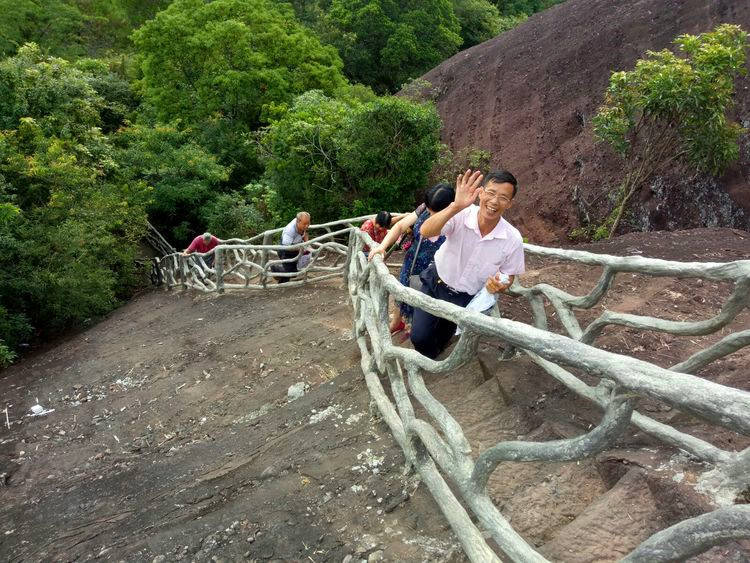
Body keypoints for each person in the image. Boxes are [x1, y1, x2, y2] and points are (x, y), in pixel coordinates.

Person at [410, 169, 525, 359]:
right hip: (435, 284)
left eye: (503, 197)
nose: (495, 201)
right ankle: (430, 358)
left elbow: (509, 274)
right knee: (420, 337)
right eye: (491, 193)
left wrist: (501, 284)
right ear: (481, 192)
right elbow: (426, 231)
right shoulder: (461, 214)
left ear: (510, 203)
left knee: (445, 335)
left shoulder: (512, 239)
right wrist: (455, 206)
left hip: (465, 299)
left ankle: (438, 356)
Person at [368, 183, 456, 335]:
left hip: (436, 269)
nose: (430, 214)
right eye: (429, 209)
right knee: (402, 290)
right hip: (413, 260)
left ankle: (415, 329)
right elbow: (400, 226)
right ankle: (397, 323)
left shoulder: (458, 218)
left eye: (435, 212)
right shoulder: (424, 208)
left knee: (424, 300)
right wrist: (382, 246)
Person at [273, 211, 311, 283]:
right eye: (305, 224)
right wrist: (300, 249)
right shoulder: (290, 231)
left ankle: (281, 283)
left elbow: (305, 234)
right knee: (289, 271)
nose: (307, 226)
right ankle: (275, 268)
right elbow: (287, 247)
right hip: (285, 250)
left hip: (295, 248)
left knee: (293, 272)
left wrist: (307, 244)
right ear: (298, 221)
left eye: (308, 223)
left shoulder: (301, 225)